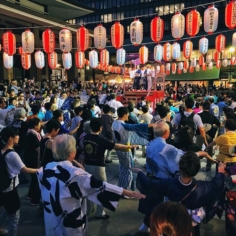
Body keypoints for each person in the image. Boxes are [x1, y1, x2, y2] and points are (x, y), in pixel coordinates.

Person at [37, 134, 145, 236]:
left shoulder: (44, 169)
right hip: (70, 219)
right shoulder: (75, 173)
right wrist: (126, 192)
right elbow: (99, 186)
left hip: (51, 217)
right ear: (71, 153)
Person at [136, 151, 226, 236]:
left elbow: (149, 184)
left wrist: (140, 173)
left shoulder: (168, 183)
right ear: (197, 170)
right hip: (191, 223)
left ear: (179, 166)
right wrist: (221, 172)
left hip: (172, 219)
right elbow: (217, 185)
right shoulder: (203, 187)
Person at [84, 118, 138, 218]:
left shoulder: (86, 137)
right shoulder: (101, 139)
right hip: (98, 167)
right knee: (102, 188)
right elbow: (116, 146)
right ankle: (100, 212)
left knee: (89, 186)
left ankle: (88, 209)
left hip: (87, 165)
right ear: (101, 128)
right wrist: (129, 147)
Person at [0, 127, 39, 236]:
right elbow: (25, 169)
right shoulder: (13, 154)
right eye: (16, 135)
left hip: (3, 186)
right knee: (15, 216)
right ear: (10, 139)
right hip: (10, 188)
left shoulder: (2, 150)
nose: (19, 137)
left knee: (6, 209)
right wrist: (40, 170)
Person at [112, 107, 150, 190]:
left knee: (122, 168)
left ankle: (121, 187)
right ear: (125, 114)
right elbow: (138, 127)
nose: (128, 115)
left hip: (118, 148)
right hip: (125, 149)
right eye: (127, 114)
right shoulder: (124, 126)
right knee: (129, 170)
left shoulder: (114, 123)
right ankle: (125, 190)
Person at [24, 118, 41, 206]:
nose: (40, 125)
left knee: (34, 179)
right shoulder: (32, 134)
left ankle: (30, 195)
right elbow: (37, 145)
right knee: (35, 178)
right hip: (33, 159)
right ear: (35, 126)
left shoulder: (31, 133)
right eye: (39, 124)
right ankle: (34, 199)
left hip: (30, 158)